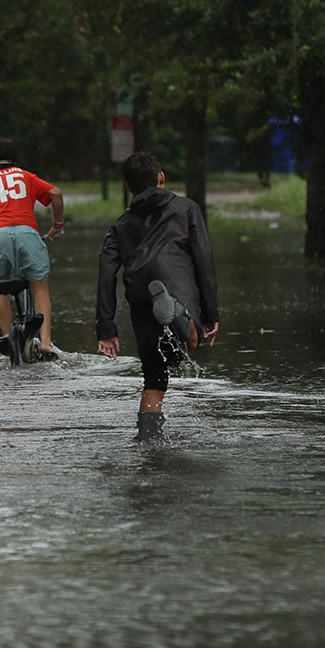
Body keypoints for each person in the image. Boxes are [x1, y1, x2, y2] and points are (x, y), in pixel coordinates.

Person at [95, 151, 220, 440]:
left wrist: (106, 327)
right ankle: (179, 316)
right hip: (177, 286)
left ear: (128, 188)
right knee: (193, 339)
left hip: (139, 291)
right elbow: (204, 257)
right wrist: (211, 312)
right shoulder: (186, 208)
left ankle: (148, 442)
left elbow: (106, 273)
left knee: (153, 374)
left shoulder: (120, 225)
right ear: (161, 178)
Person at [0, 138, 65, 359]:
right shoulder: (26, 176)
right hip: (27, 232)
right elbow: (56, 193)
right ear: (14, 159)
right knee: (39, 288)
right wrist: (57, 225)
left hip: (0, 234)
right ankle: (46, 343)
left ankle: (6, 344)